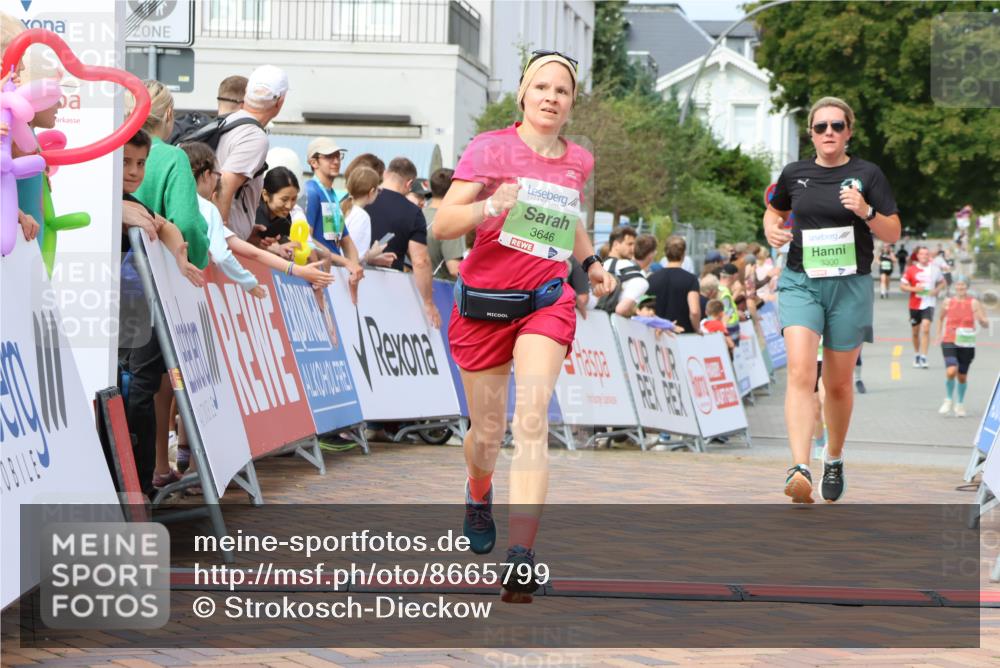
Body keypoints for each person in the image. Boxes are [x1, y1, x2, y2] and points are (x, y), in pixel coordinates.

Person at [432, 50, 613, 603]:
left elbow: (569, 219)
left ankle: (522, 553)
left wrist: (591, 263)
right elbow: (442, 222)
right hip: (486, 302)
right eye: (542, 87)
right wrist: (490, 208)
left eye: (562, 90)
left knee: (532, 419)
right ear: (523, 94)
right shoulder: (490, 148)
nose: (551, 97)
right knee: (486, 434)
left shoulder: (577, 159)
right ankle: (479, 489)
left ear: (572, 102)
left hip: (545, 300)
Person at [764, 96, 900, 504]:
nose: (829, 133)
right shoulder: (795, 173)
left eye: (836, 126)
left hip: (850, 286)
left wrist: (866, 210)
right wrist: (772, 229)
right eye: (821, 127)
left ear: (849, 132)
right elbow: (774, 212)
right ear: (811, 133)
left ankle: (834, 457)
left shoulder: (867, 174)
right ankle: (799, 467)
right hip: (801, 281)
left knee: (837, 384)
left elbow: (892, 232)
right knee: (802, 373)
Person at [119, 129, 205, 494]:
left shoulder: (133, 202)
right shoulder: (108, 201)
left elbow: (168, 225)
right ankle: (133, 480)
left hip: (138, 313)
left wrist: (181, 259)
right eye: (125, 162)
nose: (134, 171)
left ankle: (140, 481)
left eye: (140, 163)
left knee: (143, 385)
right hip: (110, 317)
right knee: (133, 388)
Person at [365, 156, 440, 327]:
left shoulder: (359, 197)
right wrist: (428, 302)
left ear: (385, 173)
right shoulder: (412, 213)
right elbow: (420, 261)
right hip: (389, 291)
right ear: (409, 183)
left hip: (351, 282)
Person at [217, 65, 287, 242]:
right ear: (280, 101)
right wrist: (222, 239)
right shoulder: (254, 137)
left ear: (247, 93)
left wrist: (246, 232)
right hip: (220, 247)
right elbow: (224, 186)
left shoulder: (229, 121)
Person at [936, 276, 988, 417]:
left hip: (966, 343)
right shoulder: (948, 302)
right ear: (955, 287)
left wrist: (983, 322)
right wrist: (939, 334)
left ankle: (959, 404)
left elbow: (983, 321)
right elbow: (941, 318)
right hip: (949, 340)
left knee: (962, 376)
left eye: (963, 285)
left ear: (967, 287)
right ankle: (948, 399)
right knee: (951, 371)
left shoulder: (974, 303)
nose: (960, 288)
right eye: (958, 285)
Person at [342, 166, 397, 267]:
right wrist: (373, 253)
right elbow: (354, 258)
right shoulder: (362, 216)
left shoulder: (343, 209)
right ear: (371, 192)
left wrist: (372, 258)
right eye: (378, 190)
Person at [901, 246, 945, 368]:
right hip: (914, 304)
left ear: (929, 256)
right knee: (915, 332)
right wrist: (914, 289)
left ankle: (924, 357)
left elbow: (942, 282)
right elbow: (903, 286)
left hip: (929, 303)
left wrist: (936, 290)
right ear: (918, 256)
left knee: (926, 329)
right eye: (922, 254)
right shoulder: (911, 270)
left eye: (926, 254)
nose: (924, 256)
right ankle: (916, 354)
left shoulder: (935, 269)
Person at [648, 235, 700, 334]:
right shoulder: (691, 279)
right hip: (682, 333)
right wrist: (697, 328)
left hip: (657, 333)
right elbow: (694, 311)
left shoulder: (651, 278)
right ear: (684, 254)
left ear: (665, 253)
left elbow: (646, 307)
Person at [424, 168, 465, 279]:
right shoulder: (450, 222)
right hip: (441, 289)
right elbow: (454, 269)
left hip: (415, 284)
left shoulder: (417, 214)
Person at [600, 225, 648, 316]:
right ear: (616, 245)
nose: (633, 249)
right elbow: (642, 284)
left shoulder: (597, 266)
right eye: (629, 244)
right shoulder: (627, 266)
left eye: (634, 245)